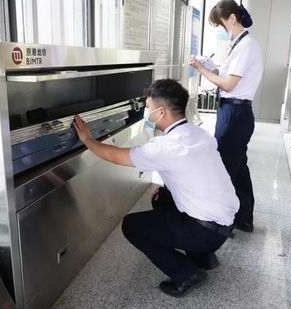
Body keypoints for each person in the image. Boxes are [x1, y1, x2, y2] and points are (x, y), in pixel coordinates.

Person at [73, 79, 239, 297]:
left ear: (161, 112)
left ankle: (186, 273)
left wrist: (87, 139)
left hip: (205, 231)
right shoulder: (198, 133)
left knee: (132, 226)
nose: (146, 113)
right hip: (224, 223)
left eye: (148, 108)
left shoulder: (166, 147)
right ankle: (203, 256)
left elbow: (115, 156)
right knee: (161, 198)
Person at [190, 0, 263, 232]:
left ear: (232, 19)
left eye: (222, 25)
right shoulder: (238, 44)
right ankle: (244, 218)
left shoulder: (246, 45)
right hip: (232, 111)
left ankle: (221, 223)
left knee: (224, 168)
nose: (222, 31)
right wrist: (209, 66)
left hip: (235, 112)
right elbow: (224, 73)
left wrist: (201, 69)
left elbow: (229, 84)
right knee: (239, 167)